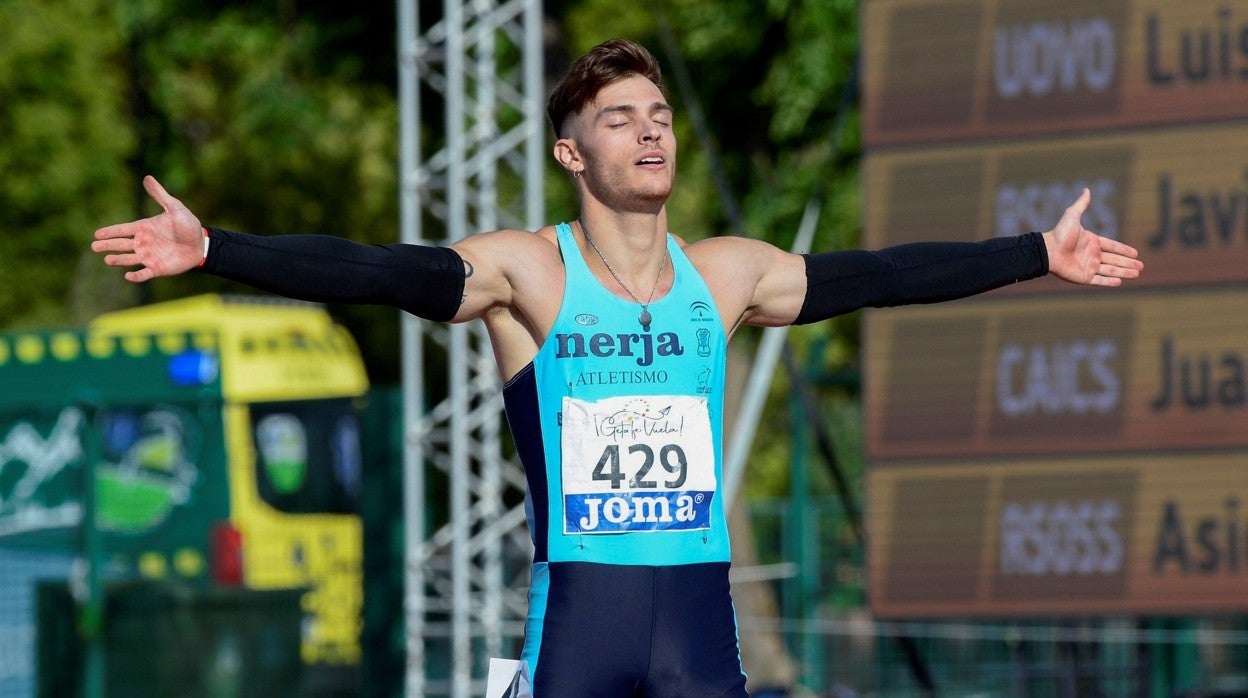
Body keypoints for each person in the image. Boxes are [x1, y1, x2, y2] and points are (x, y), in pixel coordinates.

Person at [92, 38, 1142, 697]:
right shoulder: (528, 273)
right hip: (579, 627)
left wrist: (1032, 255)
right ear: (571, 154)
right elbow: (384, 270)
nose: (650, 132)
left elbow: (881, 273)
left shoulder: (725, 275)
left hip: (696, 623)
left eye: (661, 115)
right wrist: (219, 247)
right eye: (619, 119)